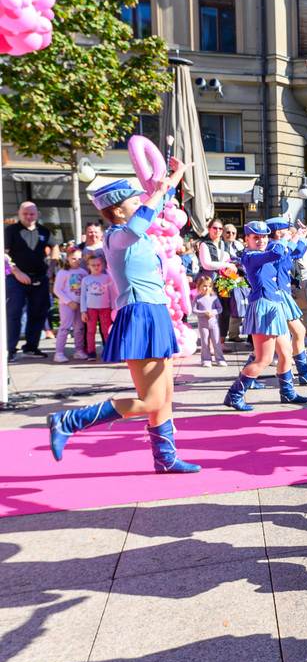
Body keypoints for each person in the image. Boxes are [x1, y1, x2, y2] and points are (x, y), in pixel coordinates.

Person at [47, 167, 201, 473]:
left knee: (165, 396)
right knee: (152, 400)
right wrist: (157, 192)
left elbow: (152, 208)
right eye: (134, 201)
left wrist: (172, 179)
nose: (141, 203)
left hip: (155, 313)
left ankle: (165, 459)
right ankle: (69, 421)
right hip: (139, 314)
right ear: (118, 210)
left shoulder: (139, 234)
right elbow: (142, 218)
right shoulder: (118, 236)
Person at [222, 222, 307, 412]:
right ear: (246, 239)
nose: (261, 240)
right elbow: (278, 252)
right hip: (263, 307)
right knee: (263, 359)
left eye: (264, 236)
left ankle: (287, 392)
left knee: (286, 353)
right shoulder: (250, 256)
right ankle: (234, 394)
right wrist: (286, 237)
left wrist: (299, 237)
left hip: (275, 306)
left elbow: (288, 256)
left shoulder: (265, 254)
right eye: (256, 237)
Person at [264, 216, 307, 385]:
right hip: (276, 296)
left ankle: (304, 373)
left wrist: (303, 236)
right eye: (285, 230)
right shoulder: (273, 247)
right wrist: (297, 237)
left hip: (284, 295)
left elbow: (297, 252)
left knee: (298, 332)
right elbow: (289, 250)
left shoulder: (281, 246)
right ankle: (249, 377)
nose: (289, 232)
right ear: (277, 232)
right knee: (269, 346)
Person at [5, 200, 58, 359]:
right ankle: (10, 350)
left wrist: (51, 268)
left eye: (32, 213)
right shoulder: (11, 231)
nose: (29, 216)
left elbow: (54, 247)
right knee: (13, 314)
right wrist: (16, 272)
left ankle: (31, 347)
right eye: (25, 213)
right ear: (19, 214)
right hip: (16, 278)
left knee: (38, 313)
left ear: (37, 214)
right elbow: (4, 254)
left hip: (39, 278)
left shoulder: (44, 231)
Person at [52, 246, 88, 362]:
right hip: (66, 305)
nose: (76, 261)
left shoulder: (83, 272)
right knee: (64, 328)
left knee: (79, 328)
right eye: (73, 258)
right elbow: (57, 290)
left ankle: (79, 350)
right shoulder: (63, 273)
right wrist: (69, 302)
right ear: (67, 258)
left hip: (80, 305)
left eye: (79, 258)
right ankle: (59, 353)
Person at [79, 253, 117, 360]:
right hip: (91, 309)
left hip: (105, 308)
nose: (96, 267)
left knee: (106, 330)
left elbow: (112, 294)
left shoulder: (107, 278)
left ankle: (108, 350)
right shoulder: (86, 280)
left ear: (103, 265)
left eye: (98, 265)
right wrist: (83, 311)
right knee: (90, 331)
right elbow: (83, 296)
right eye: (93, 265)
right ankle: (91, 352)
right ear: (88, 266)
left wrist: (113, 308)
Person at [192, 275, 225, 368]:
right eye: (205, 286)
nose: (207, 288)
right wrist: (204, 313)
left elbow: (220, 309)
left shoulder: (214, 297)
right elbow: (194, 310)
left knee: (216, 342)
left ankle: (220, 359)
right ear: (199, 287)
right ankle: (206, 359)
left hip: (214, 324)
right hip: (203, 325)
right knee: (205, 342)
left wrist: (213, 312)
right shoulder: (198, 298)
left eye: (209, 286)